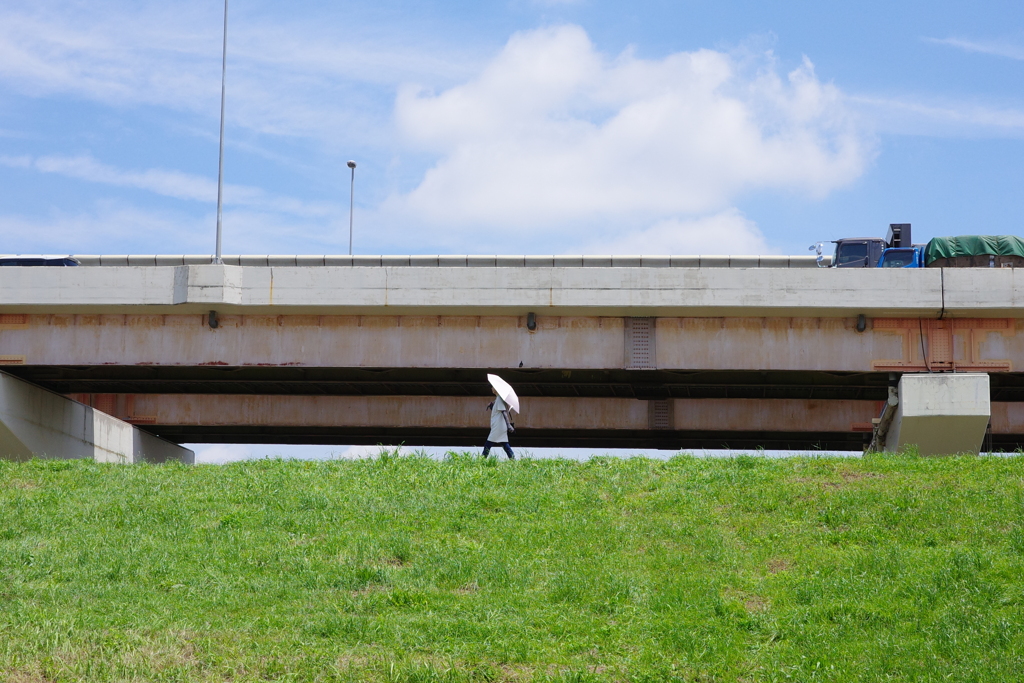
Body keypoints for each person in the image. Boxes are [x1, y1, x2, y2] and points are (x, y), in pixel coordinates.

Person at [482, 387, 515, 460]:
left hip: (498, 426)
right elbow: (497, 412)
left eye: (493, 387)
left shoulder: (499, 399)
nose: (491, 388)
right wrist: (492, 405)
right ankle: (513, 459)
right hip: (498, 426)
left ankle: (482, 459)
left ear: (497, 389)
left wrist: (508, 425)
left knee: (488, 444)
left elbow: (504, 412)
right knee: (505, 445)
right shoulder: (498, 399)